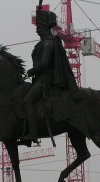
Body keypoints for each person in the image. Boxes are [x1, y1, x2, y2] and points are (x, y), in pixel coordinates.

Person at [21, 8, 78, 143]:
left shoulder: (48, 42)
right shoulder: (43, 42)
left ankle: (33, 134)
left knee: (27, 101)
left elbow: (44, 63)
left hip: (46, 81)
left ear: (45, 28)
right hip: (39, 80)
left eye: (39, 27)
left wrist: (32, 71)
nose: (36, 30)